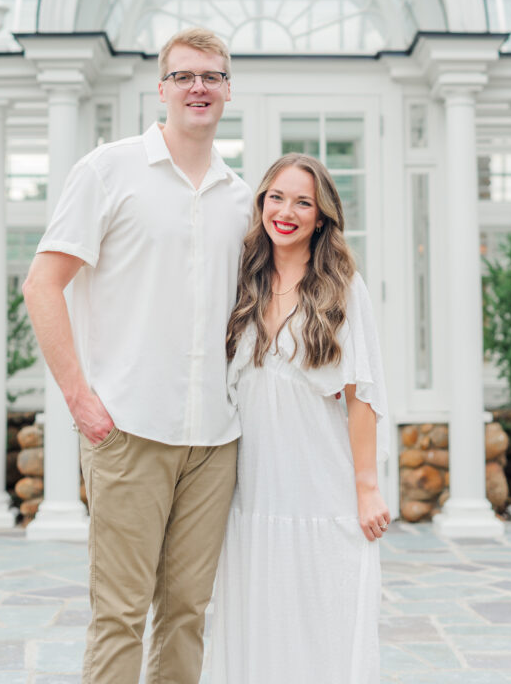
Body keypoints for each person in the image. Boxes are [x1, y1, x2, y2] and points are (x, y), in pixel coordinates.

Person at [22, 27, 252, 684]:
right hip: (126, 430)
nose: (198, 87)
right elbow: (43, 284)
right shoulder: (108, 170)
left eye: (211, 75)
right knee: (120, 612)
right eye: (184, 76)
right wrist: (77, 395)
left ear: (228, 89)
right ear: (162, 89)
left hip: (214, 440)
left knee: (186, 611)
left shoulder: (241, 196)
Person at [210, 153, 390, 684]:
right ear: (261, 203)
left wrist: (367, 487)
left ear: (321, 215)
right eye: (276, 197)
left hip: (320, 487)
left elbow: (362, 394)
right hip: (253, 492)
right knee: (259, 622)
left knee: (322, 619)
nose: (286, 211)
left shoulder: (342, 286)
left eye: (303, 202)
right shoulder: (244, 282)